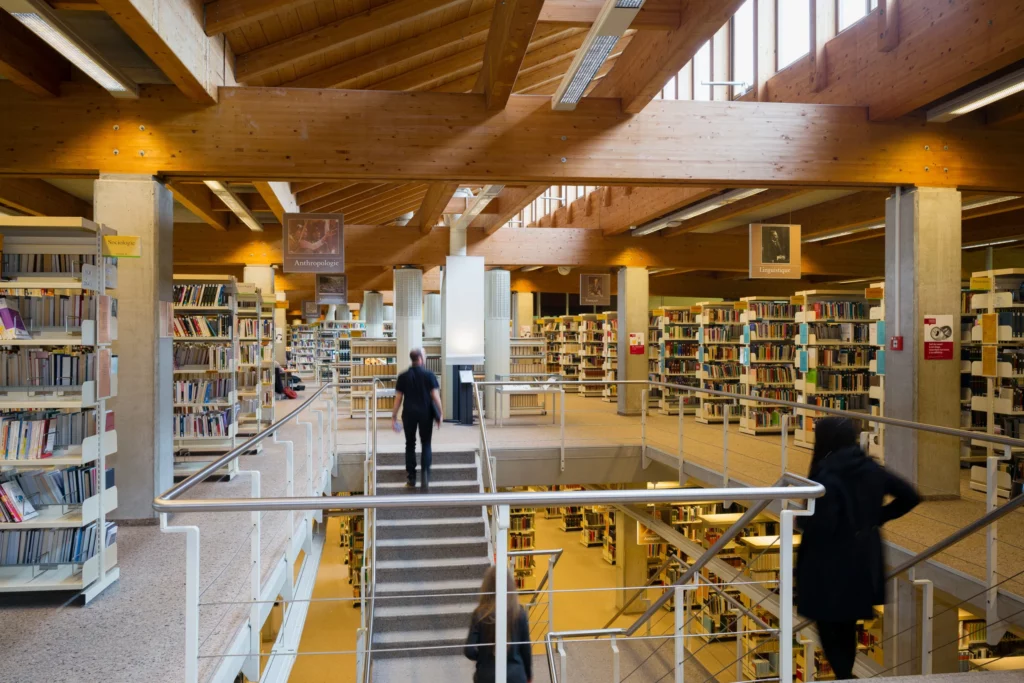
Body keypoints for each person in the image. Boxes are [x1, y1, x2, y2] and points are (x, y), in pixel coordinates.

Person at [796, 417, 920, 680]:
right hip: (862, 557)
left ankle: (843, 675)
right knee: (847, 622)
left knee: (827, 622)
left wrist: (802, 520)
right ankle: (845, 675)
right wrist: (877, 517)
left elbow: (822, 523)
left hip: (829, 561)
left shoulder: (825, 475)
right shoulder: (870, 467)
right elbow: (910, 495)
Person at [464, 566, 532, 683]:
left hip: (487, 676)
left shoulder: (479, 614)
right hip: (515, 676)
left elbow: (469, 650)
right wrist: (528, 675)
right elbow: (526, 650)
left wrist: (484, 657)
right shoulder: (519, 613)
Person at [391, 348, 442, 488]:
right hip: (426, 414)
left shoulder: (403, 376)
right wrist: (440, 413)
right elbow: (435, 396)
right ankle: (425, 474)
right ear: (420, 358)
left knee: (410, 444)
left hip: (409, 414)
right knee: (426, 443)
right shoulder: (429, 375)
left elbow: (398, 399)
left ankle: (411, 478)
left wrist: (394, 416)